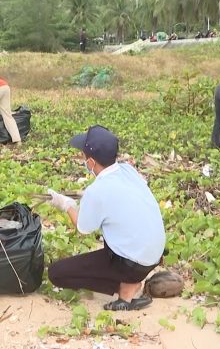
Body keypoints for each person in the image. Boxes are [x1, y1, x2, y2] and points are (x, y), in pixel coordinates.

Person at [46, 125, 165, 311]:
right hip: (153, 255)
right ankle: (130, 280)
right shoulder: (128, 170)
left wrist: (66, 204)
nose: (82, 159)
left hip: (132, 263)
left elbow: (83, 228)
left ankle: (126, 289)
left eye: (83, 156)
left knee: (57, 273)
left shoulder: (97, 191)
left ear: (91, 162)